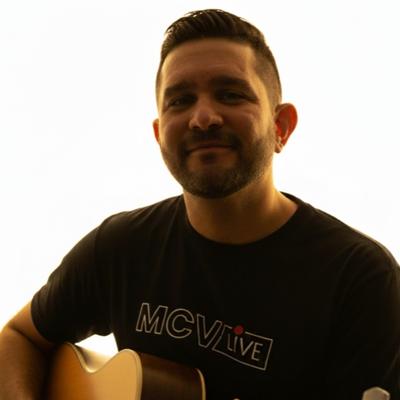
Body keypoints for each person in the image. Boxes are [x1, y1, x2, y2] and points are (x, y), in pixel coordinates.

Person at [0, 8, 399, 400]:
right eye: (180, 100)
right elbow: (18, 337)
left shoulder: (360, 279)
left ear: (281, 127)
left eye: (230, 94)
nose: (203, 117)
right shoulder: (120, 247)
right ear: (159, 134)